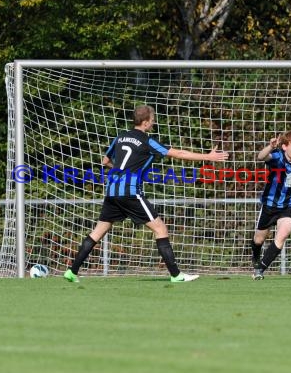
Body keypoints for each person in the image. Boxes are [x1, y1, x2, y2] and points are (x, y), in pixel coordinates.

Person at [63, 105, 229, 283]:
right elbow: (178, 153)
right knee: (160, 228)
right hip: (130, 191)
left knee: (98, 231)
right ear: (145, 122)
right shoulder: (147, 141)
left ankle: (72, 272)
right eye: (153, 120)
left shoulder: (120, 137)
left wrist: (122, 170)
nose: (154, 122)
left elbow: (105, 161)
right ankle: (176, 275)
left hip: (112, 190)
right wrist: (208, 157)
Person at [250, 131, 291, 280]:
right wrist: (269, 147)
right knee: (258, 240)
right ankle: (255, 258)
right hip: (270, 204)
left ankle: (260, 269)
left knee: (282, 236)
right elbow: (261, 157)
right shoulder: (277, 157)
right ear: (284, 147)